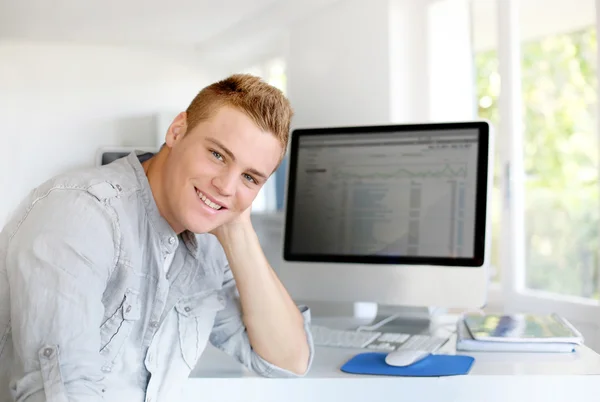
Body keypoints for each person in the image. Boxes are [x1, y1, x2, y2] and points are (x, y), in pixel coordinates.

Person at [0, 74, 314, 402]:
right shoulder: (82, 213)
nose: (226, 185)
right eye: (218, 155)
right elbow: (62, 391)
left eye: (249, 177)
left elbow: (287, 360)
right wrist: (231, 199)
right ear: (177, 131)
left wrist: (237, 228)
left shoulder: (207, 245)